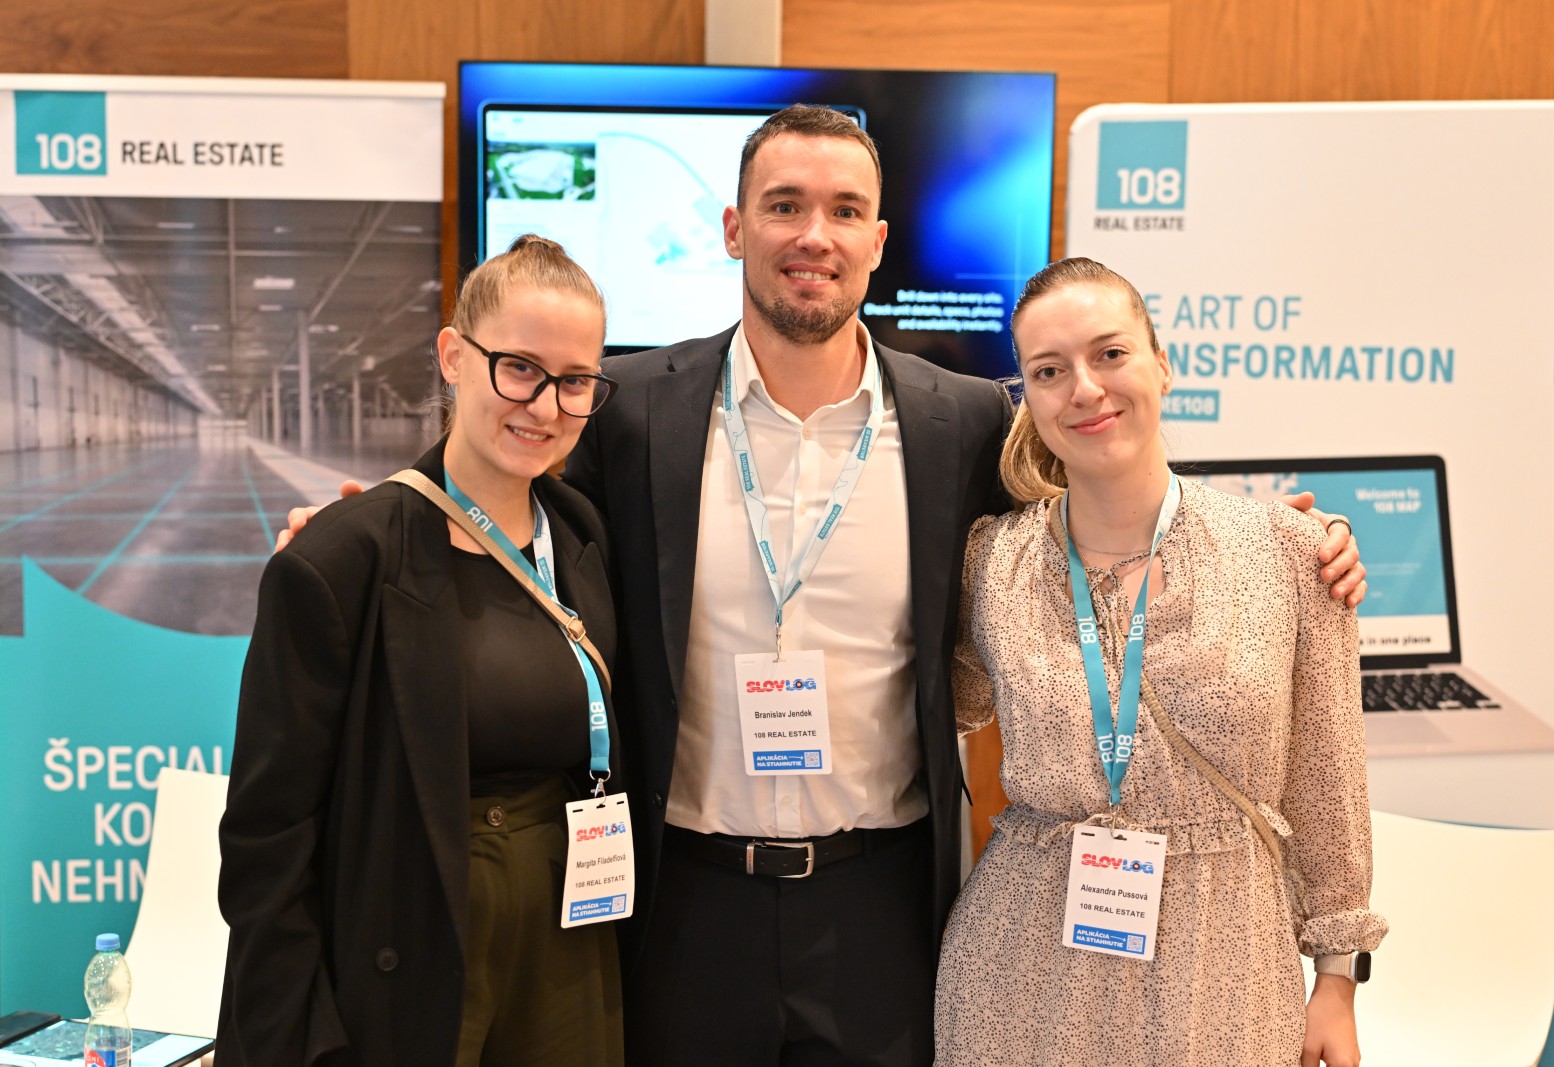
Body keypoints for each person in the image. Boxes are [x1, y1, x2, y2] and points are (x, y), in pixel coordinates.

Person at [278, 108, 1367, 1065]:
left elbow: (1099, 493)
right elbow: (510, 486)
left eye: (845, 210)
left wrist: (1281, 538)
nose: (815, 234)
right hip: (683, 901)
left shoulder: (958, 420)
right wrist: (380, 523)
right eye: (784, 205)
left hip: (879, 907)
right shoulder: (637, 409)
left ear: (877, 242)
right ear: (732, 228)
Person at [933, 258, 1387, 1067]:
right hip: (1021, 967)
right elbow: (938, 711)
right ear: (1028, 397)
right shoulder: (990, 562)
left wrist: (1336, 980)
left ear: (1162, 364)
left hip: (1224, 963)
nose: (1085, 388)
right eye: (1049, 370)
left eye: (1110, 353)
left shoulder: (1289, 551)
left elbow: (1329, 780)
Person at [216, 235, 626, 1067]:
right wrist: (302, 1035)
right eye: (519, 367)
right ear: (453, 356)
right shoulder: (343, 560)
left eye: (574, 381)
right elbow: (268, 839)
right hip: (415, 943)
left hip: (571, 939)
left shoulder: (582, 536)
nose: (544, 405)